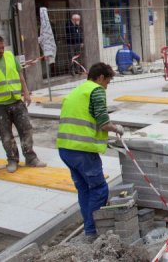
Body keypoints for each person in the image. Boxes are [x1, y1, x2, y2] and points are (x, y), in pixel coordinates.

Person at [57, 62, 125, 242]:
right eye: (108, 82)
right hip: (82, 151)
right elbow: (103, 123)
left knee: (84, 189)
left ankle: (88, 228)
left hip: (65, 148)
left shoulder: (78, 91)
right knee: (99, 188)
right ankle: (93, 230)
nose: (107, 86)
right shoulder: (96, 91)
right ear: (101, 78)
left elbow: (84, 119)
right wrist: (117, 128)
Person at [0, 34, 46, 173]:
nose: (1, 51)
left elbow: (20, 76)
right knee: (6, 136)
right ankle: (12, 160)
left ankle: (31, 158)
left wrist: (26, 92)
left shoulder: (10, 56)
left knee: (26, 130)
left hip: (16, 101)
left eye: (2, 47)